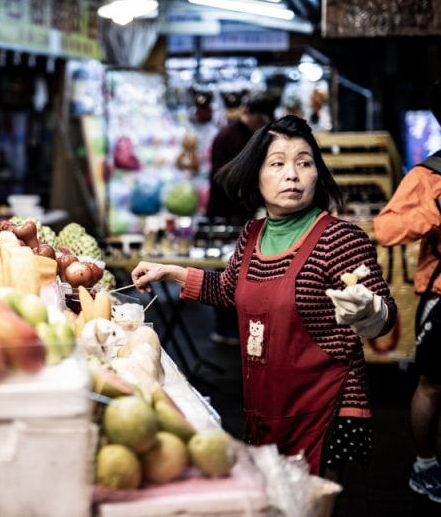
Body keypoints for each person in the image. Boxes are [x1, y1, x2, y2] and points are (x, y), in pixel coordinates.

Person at [132, 115, 397, 478]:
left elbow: (383, 318)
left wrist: (370, 311)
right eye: (278, 163)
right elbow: (229, 289)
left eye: (304, 163)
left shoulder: (340, 239)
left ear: (317, 173)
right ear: (257, 175)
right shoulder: (253, 234)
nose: (293, 174)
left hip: (324, 408)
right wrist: (171, 271)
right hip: (265, 405)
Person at [373, 77, 441, 504]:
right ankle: (424, 465)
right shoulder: (428, 176)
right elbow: (385, 229)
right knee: (433, 384)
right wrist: (437, 210)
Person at [206, 91, 278, 346]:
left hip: (244, 213)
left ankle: (236, 326)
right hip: (223, 213)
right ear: (252, 113)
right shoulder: (228, 137)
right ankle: (223, 328)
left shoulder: (255, 135)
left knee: (242, 272)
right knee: (224, 270)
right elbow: (222, 178)